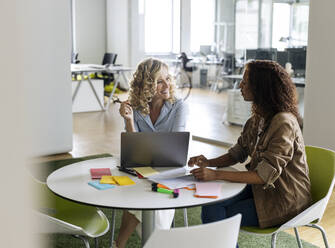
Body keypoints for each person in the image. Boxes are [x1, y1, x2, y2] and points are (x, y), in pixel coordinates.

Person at [188, 60, 312, 233]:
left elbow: (263, 176)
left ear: (261, 87)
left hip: (284, 198)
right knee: (212, 205)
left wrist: (215, 174)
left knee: (221, 217)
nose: (240, 85)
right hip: (260, 190)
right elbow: (237, 153)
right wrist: (208, 162)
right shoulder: (258, 119)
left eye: (246, 82)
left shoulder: (283, 123)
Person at [116, 58, 187, 248]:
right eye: (159, 81)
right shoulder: (136, 107)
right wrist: (130, 121)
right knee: (140, 190)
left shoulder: (178, 106)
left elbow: (175, 145)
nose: (167, 85)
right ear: (147, 84)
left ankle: (119, 244)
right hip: (142, 167)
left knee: (139, 197)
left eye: (168, 79)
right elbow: (133, 148)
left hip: (169, 170)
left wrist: (145, 150)